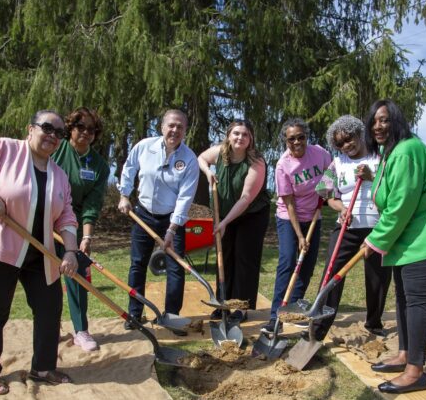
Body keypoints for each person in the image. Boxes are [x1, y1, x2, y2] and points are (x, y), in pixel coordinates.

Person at [0, 110, 80, 395]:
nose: (53, 136)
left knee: (49, 308)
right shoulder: (3, 149)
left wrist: (70, 251)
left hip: (39, 252)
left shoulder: (59, 176)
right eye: (47, 128)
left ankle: (43, 367)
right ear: (30, 129)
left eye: (59, 133)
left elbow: (67, 217)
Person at [363, 99, 426, 394]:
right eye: (373, 121)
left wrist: (375, 239)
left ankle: (415, 372)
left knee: (418, 298)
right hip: (411, 232)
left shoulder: (407, 151)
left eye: (384, 120)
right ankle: (405, 353)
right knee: (403, 295)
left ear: (397, 121)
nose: (378, 126)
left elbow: (401, 204)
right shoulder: (390, 153)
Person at [310, 115, 392, 341]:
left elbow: (395, 187)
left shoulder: (381, 157)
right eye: (340, 143)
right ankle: (317, 330)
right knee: (331, 275)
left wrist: (371, 177)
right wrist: (340, 208)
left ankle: (374, 323)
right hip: (346, 227)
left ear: (359, 133)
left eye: (349, 138)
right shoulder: (337, 163)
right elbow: (326, 195)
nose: (347, 145)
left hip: (378, 227)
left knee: (378, 278)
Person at [117, 109, 199, 333]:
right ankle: (135, 313)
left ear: (185, 130)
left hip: (172, 220)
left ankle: (171, 316)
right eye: (171, 125)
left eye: (180, 126)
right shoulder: (144, 147)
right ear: (162, 127)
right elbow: (129, 168)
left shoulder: (189, 159)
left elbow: (185, 197)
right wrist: (124, 195)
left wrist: (172, 230)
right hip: (142, 214)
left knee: (175, 268)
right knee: (138, 264)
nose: (175, 130)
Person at [260, 118, 332, 336]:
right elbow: (289, 203)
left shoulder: (319, 153)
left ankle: (293, 308)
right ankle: (275, 317)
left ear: (306, 137)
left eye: (301, 137)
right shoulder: (283, 165)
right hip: (288, 218)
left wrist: (326, 191)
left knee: (308, 266)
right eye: (292, 138)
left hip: (314, 215)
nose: (297, 142)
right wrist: (300, 236)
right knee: (288, 261)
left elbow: (331, 172)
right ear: (285, 140)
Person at [197, 120, 271, 322]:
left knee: (244, 259)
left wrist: (225, 222)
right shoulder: (220, 152)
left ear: (251, 139)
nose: (240, 138)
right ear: (229, 135)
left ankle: (241, 308)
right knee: (225, 256)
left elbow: (246, 198)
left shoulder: (256, 161)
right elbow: (201, 158)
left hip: (251, 215)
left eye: (245, 134)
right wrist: (208, 172)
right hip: (224, 213)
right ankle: (223, 304)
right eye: (236, 133)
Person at [52, 107, 110, 352]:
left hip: (73, 224)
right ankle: (49, 327)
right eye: (80, 127)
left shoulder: (98, 166)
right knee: (45, 277)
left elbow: (91, 204)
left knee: (76, 276)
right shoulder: (56, 148)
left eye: (91, 129)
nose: (86, 133)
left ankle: (81, 330)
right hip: (45, 220)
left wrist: (85, 236)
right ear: (70, 129)